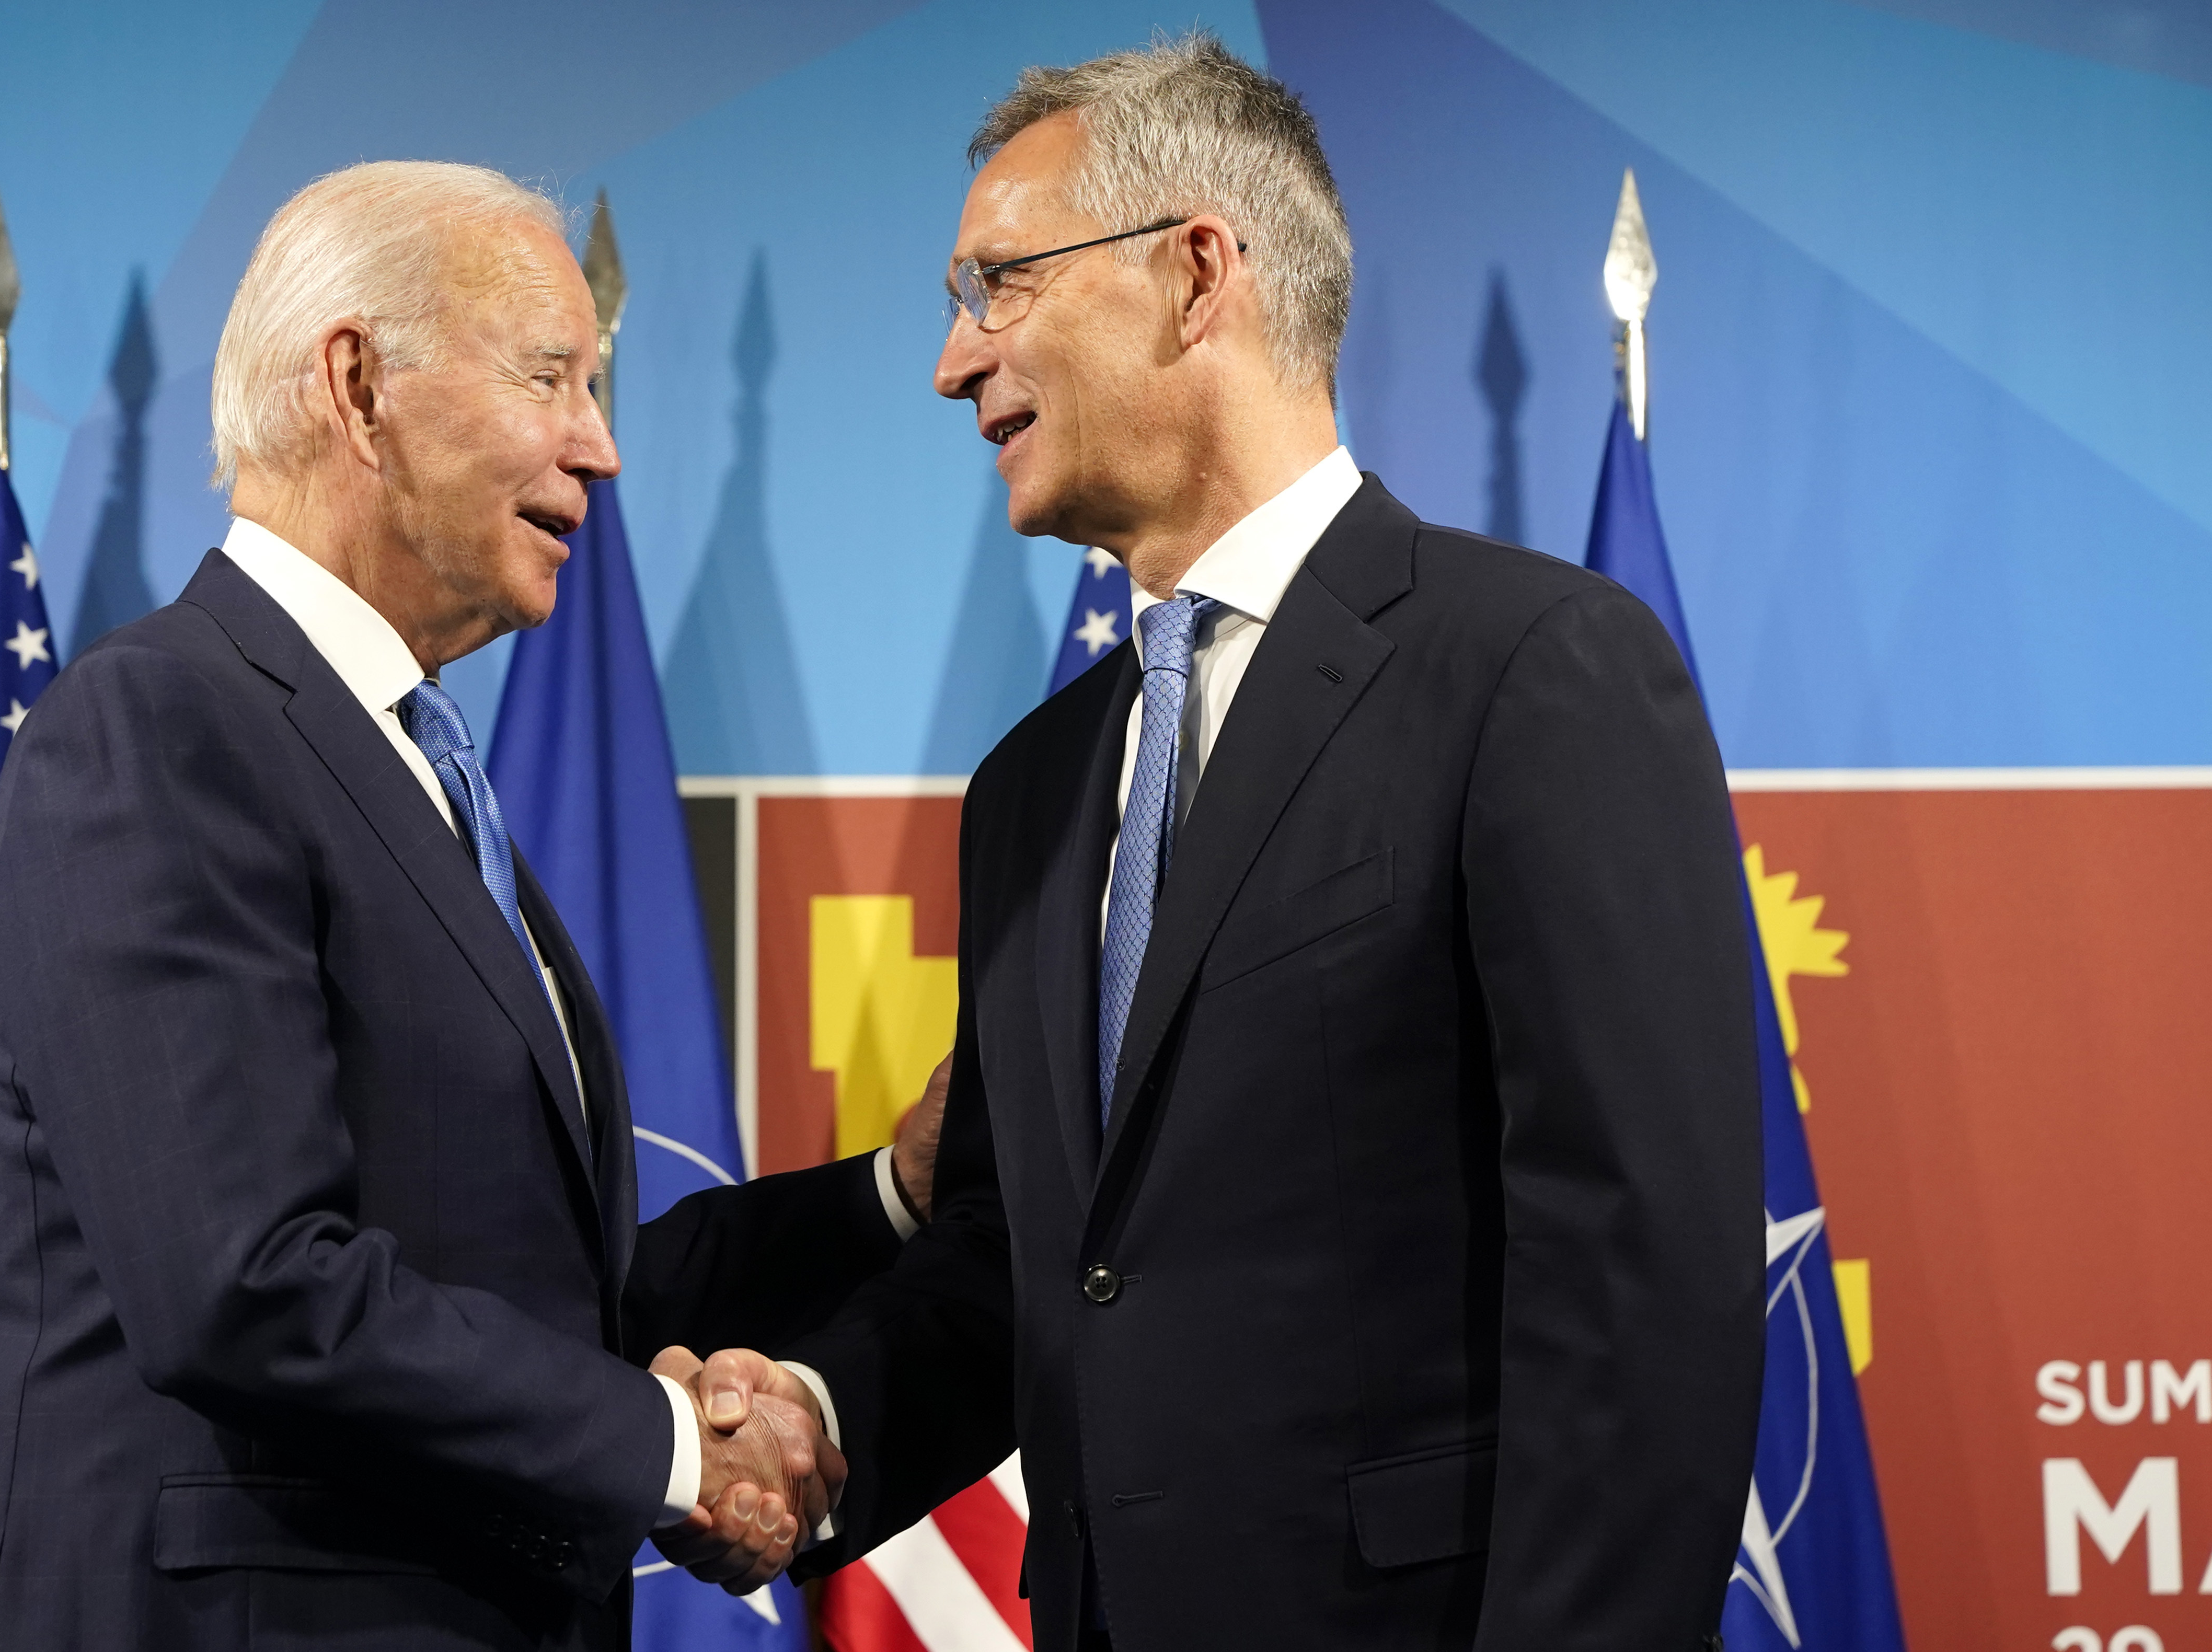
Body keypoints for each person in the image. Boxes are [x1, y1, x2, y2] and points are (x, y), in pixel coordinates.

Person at [675, 37, 1765, 1650]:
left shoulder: (1530, 668)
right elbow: (1033, 1263)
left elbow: (1637, 1289)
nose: (951, 361)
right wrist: (824, 1425)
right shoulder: (1032, 788)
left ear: (1196, 275)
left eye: (996, 285)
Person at [0, 161, 935, 1652]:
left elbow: (525, 1289)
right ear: (356, 387)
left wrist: (885, 1198)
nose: (600, 448)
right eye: (552, 376)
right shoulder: (162, 727)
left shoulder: (411, 765)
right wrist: (675, 1447)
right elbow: (244, 1281)